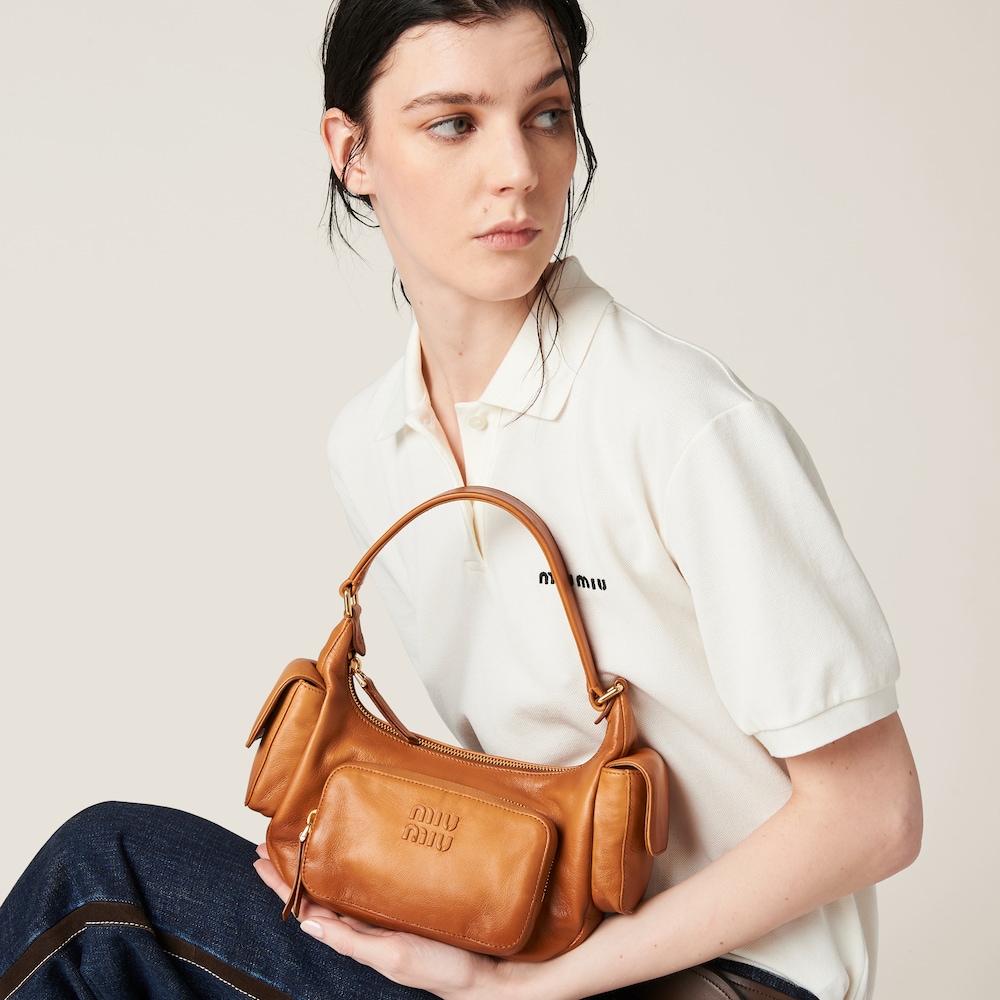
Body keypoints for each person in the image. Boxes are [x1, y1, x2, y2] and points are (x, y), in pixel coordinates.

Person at [0, 2, 922, 999]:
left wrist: (519, 990)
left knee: (100, 875)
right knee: (115, 882)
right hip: (534, 942)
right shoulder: (373, 447)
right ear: (351, 151)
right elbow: (516, 796)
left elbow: (874, 815)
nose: (517, 170)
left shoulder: (679, 421)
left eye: (547, 115)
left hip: (730, 977)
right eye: (454, 123)